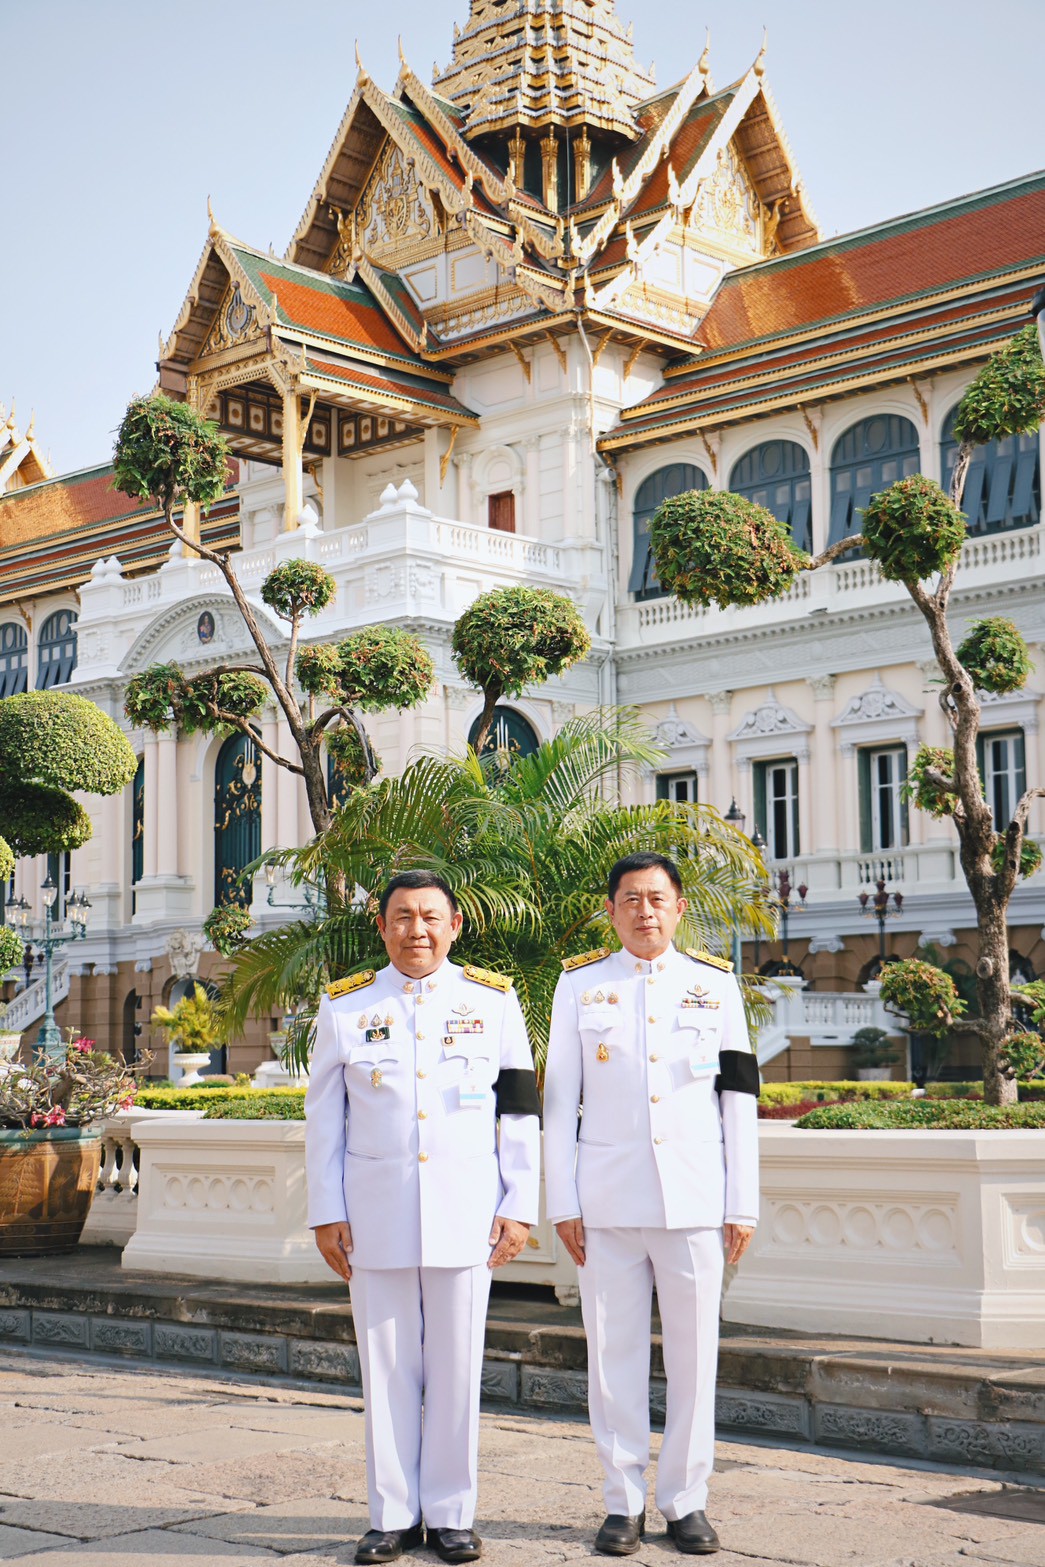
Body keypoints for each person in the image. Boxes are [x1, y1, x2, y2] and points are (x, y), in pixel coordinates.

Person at [305, 870, 542, 1566]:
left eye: (431, 916)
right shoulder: (346, 1006)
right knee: (385, 1367)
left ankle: (450, 1515)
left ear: (455, 925)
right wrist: (325, 1211)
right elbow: (324, 1120)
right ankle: (391, 1516)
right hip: (373, 1213)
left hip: (467, 1212)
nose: (418, 930)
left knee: (457, 1368)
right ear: (382, 927)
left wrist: (519, 1203)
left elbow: (519, 1109)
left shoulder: (493, 1001)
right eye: (403, 917)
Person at [543, 852, 759, 1557]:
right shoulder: (579, 985)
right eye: (630, 899)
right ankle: (623, 1502)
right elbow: (558, 1101)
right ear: (610, 910)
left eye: (657, 898)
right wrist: (562, 1200)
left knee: (695, 1358)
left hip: (694, 1198)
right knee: (613, 1357)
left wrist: (741, 1202)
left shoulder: (714, 984)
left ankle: (686, 1500)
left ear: (678, 907)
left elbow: (739, 1098)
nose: (644, 911)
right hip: (606, 1203)